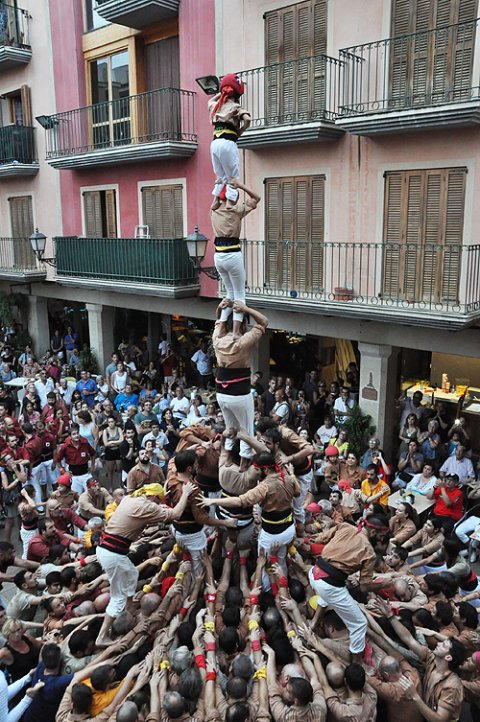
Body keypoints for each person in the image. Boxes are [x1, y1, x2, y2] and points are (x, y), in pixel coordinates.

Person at [95, 480, 195, 646]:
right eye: (158, 501)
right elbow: (176, 514)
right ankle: (102, 636)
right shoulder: (146, 506)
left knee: (132, 574)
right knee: (117, 596)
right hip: (113, 554)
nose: (158, 504)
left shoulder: (131, 498)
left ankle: (128, 611)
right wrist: (185, 493)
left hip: (108, 550)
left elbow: (155, 508)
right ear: (154, 497)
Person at [213, 299, 268, 460]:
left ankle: (228, 455)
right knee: (246, 428)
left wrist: (220, 308)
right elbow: (264, 322)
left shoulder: (217, 338)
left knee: (230, 425)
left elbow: (218, 321)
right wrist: (246, 309)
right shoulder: (242, 342)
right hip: (239, 393)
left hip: (221, 394)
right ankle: (244, 459)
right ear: (242, 325)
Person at [211, 180, 261, 337]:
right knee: (240, 294)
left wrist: (218, 187)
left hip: (218, 256)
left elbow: (215, 201)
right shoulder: (237, 210)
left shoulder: (214, 211)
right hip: (233, 254)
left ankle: (220, 329)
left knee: (229, 294)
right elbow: (256, 198)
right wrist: (240, 185)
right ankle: (234, 332)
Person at [208, 73, 250, 208]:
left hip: (214, 143)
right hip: (228, 142)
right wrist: (241, 131)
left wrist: (222, 93)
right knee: (233, 174)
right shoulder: (236, 107)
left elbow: (209, 102)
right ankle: (230, 202)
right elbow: (247, 119)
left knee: (220, 175)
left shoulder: (217, 106)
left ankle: (216, 200)